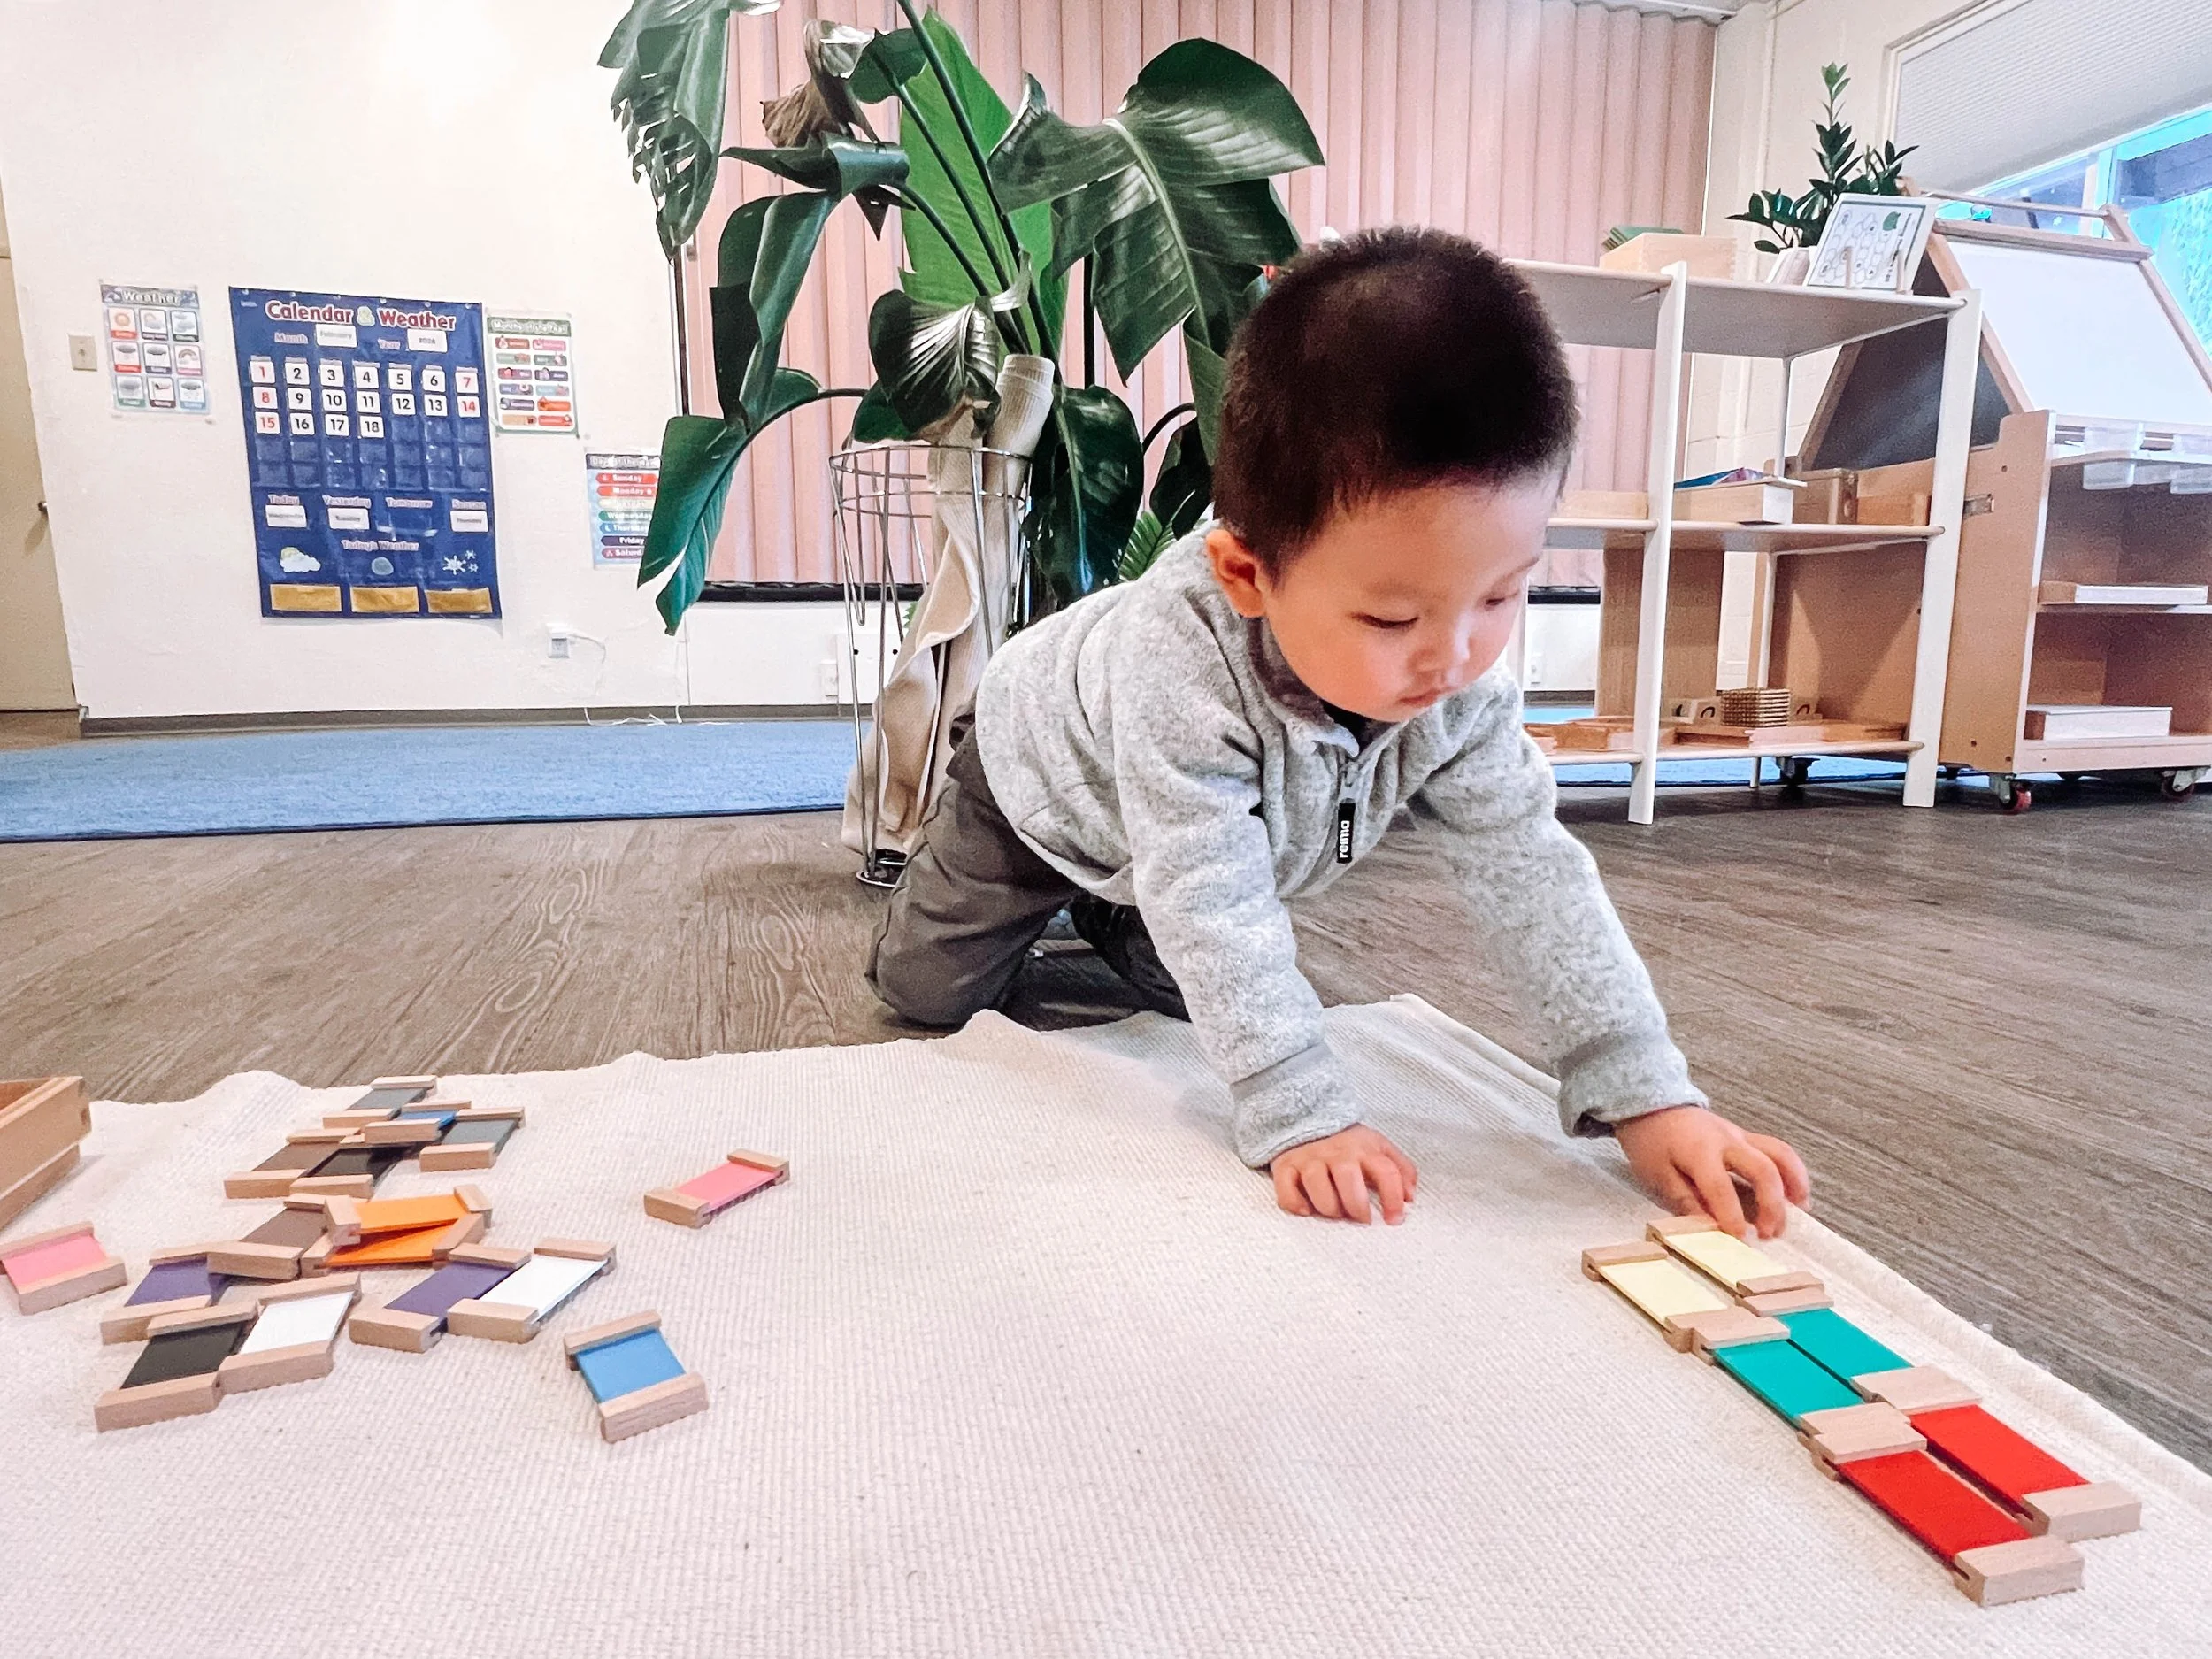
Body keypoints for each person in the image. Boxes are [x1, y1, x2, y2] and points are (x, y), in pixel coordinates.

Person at [869, 227, 1809, 1240]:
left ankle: (1117, 908)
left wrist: (1645, 1090)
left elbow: (1533, 873)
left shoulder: (1460, 685)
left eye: (1501, 594)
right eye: (1392, 619)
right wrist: (1300, 1114)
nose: (1450, 659)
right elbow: (1216, 901)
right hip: (1031, 783)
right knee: (929, 998)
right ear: (1248, 575)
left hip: (1181, 842)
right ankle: (1018, 898)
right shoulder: (1177, 662)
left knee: (1200, 990)